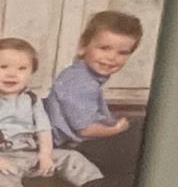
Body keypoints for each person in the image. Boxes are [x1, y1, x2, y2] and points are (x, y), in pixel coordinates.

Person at [0, 39, 104, 187]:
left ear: (31, 73)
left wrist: (45, 155)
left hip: (29, 154)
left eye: (22, 69)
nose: (12, 74)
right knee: (0, 178)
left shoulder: (32, 99)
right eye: (4, 67)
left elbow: (43, 130)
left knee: (72, 156)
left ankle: (93, 184)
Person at [45, 10, 143, 148]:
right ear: (82, 46)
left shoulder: (86, 78)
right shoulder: (79, 81)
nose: (112, 57)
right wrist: (117, 129)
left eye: (122, 53)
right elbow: (85, 129)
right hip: (65, 145)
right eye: (105, 48)